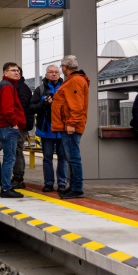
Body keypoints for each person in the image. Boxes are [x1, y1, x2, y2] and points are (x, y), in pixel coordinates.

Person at [51, 55, 89, 199]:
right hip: (68, 125)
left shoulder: (75, 81)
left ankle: (77, 189)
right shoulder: (75, 80)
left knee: (73, 158)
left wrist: (72, 124)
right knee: (72, 157)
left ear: (65, 67)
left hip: (71, 126)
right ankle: (73, 186)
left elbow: (76, 106)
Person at [30, 64, 67, 193]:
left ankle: (62, 183)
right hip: (46, 130)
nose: (54, 74)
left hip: (62, 130)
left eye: (56, 72)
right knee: (47, 158)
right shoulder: (40, 90)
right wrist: (43, 103)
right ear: (46, 75)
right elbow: (31, 107)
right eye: (51, 72)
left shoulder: (65, 88)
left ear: (59, 74)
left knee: (63, 157)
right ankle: (49, 183)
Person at [0, 62, 26, 198]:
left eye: (18, 70)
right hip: (8, 126)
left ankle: (5, 187)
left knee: (9, 158)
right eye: (13, 70)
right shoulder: (7, 86)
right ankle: (6, 188)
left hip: (4, 126)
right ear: (5, 73)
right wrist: (14, 123)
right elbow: (8, 109)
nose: (16, 72)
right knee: (9, 159)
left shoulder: (6, 85)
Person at [10, 67, 35, 190]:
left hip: (20, 125)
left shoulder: (22, 89)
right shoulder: (17, 87)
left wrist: (15, 123)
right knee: (15, 150)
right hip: (18, 125)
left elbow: (21, 108)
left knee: (17, 150)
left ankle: (18, 178)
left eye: (13, 71)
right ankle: (16, 177)